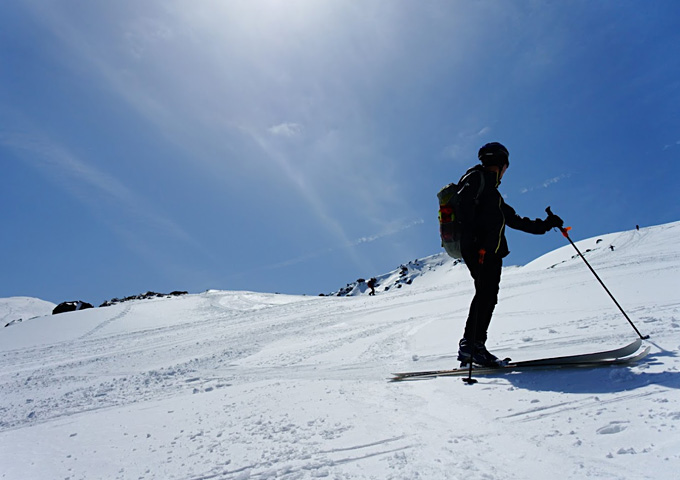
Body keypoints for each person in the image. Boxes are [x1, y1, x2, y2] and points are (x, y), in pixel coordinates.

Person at [455, 142, 563, 367]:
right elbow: (463, 209)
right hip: (480, 249)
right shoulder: (476, 179)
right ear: (502, 164)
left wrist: (546, 225)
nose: (506, 171)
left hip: (490, 251)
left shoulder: (493, 195)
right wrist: (477, 240)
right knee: (485, 294)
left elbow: (514, 220)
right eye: (506, 166)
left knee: (488, 295)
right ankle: (471, 347)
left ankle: (473, 347)